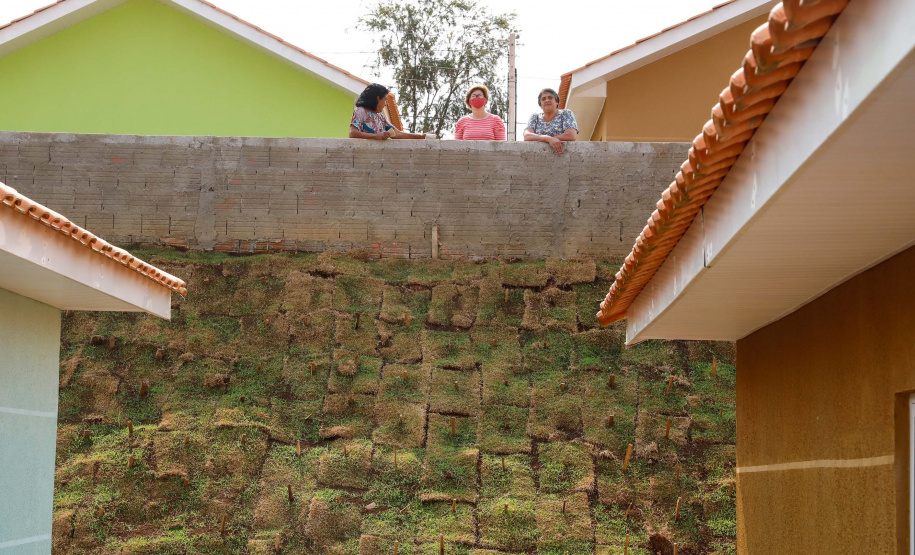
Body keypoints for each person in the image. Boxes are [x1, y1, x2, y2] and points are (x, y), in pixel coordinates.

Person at [349, 83, 435, 140]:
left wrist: (422, 136)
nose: (385, 104)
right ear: (378, 99)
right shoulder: (361, 111)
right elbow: (352, 133)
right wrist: (375, 136)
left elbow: (397, 134)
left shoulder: (380, 116)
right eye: (385, 100)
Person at [523, 88, 579, 154]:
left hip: (562, 155)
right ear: (540, 105)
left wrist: (543, 139)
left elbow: (571, 135)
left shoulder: (566, 113)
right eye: (543, 99)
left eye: (550, 98)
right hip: (538, 155)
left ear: (557, 102)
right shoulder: (535, 117)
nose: (547, 100)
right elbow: (527, 136)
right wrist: (548, 139)